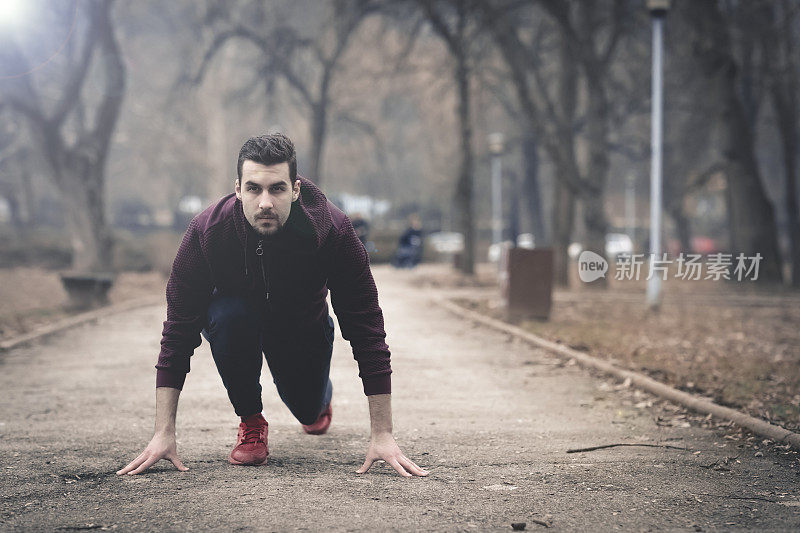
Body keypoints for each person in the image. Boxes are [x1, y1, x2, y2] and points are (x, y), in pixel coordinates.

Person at [117, 134, 428, 478]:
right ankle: (251, 420)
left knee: (310, 414)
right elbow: (178, 330)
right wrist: (163, 433)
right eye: (253, 189)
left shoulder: (333, 231)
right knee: (226, 314)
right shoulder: (208, 232)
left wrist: (382, 434)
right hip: (240, 324)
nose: (265, 201)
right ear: (237, 189)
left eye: (277, 189)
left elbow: (366, 325)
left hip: (303, 328)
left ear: (295, 189)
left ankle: (320, 401)